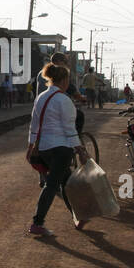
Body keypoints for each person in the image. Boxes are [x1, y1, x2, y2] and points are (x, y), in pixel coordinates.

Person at [27, 62, 88, 237]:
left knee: (66, 182)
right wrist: (80, 150)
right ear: (64, 80)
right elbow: (70, 129)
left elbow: (34, 124)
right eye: (68, 79)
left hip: (45, 148)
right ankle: (37, 223)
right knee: (53, 185)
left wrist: (30, 146)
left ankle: (78, 215)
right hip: (61, 149)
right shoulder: (64, 100)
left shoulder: (41, 97)